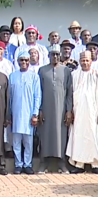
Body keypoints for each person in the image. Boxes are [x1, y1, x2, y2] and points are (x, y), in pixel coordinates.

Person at [66, 51, 98, 174]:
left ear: (91, 61)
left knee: (94, 136)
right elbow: (70, 95)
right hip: (79, 112)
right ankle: (79, 164)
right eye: (83, 60)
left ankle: (95, 164)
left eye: (87, 60)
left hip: (94, 112)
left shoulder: (97, 75)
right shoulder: (74, 75)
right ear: (79, 61)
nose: (85, 63)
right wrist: (70, 111)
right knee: (79, 136)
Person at [37, 45, 73, 174]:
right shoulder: (42, 70)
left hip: (61, 109)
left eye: (57, 54)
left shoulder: (66, 71)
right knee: (45, 134)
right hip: (46, 109)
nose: (55, 57)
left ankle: (61, 162)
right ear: (48, 56)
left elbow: (69, 92)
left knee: (61, 135)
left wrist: (69, 110)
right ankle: (44, 162)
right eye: (53, 54)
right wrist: (39, 109)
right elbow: (38, 92)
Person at [8, 51, 41, 175]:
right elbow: (9, 97)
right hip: (15, 113)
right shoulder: (12, 76)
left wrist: (35, 114)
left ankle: (28, 164)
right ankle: (18, 164)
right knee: (16, 141)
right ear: (18, 62)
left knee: (28, 141)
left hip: (29, 114)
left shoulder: (34, 76)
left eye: (26, 60)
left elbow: (37, 96)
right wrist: (9, 114)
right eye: (22, 60)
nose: (24, 63)